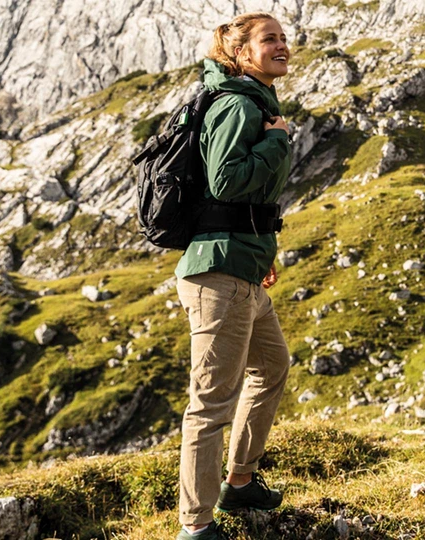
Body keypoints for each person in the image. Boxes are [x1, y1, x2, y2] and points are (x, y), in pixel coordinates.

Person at [174, 12, 293, 540]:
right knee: (211, 402)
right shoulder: (236, 104)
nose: (282, 44)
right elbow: (226, 182)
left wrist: (261, 252)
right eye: (270, 38)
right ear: (242, 53)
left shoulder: (254, 102)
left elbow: (248, 201)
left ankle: (239, 481)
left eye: (285, 37)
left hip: (241, 267)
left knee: (271, 365)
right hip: (217, 277)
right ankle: (195, 526)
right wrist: (278, 142)